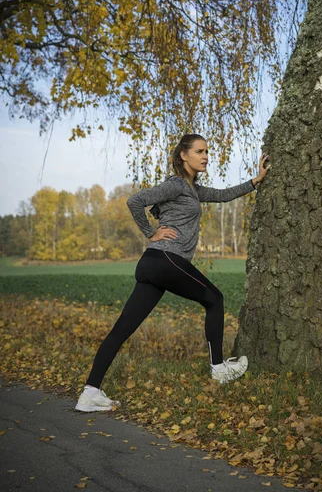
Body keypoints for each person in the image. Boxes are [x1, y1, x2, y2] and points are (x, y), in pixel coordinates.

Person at [75, 134, 271, 412]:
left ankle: (89, 393)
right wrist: (150, 233)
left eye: (207, 152)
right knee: (214, 299)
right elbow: (136, 200)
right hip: (166, 258)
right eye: (200, 151)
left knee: (122, 329)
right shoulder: (176, 185)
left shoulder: (193, 189)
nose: (205, 156)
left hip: (153, 266)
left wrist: (255, 180)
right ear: (184, 155)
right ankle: (218, 369)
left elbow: (222, 195)